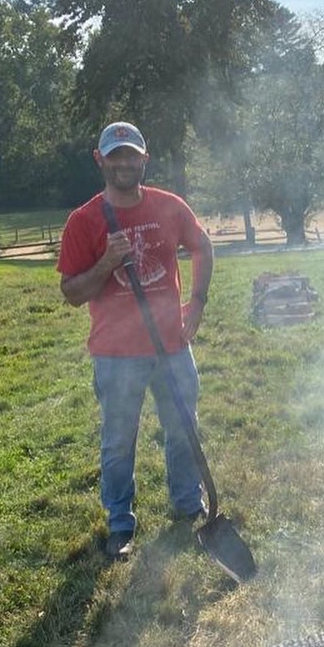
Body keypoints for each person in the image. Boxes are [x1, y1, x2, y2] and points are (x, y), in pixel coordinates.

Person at [57, 121, 214, 559]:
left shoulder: (170, 207)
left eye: (132, 154)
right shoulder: (84, 221)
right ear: (100, 159)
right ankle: (120, 524)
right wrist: (107, 262)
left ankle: (187, 505)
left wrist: (197, 302)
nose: (124, 162)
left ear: (144, 158)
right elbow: (71, 293)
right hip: (116, 355)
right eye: (115, 155)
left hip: (172, 346)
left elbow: (203, 247)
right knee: (118, 442)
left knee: (184, 429)